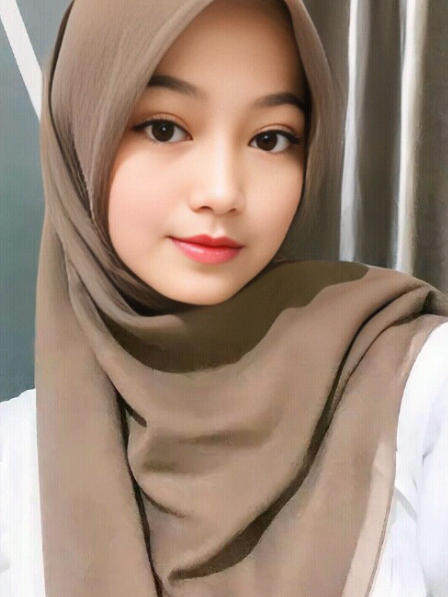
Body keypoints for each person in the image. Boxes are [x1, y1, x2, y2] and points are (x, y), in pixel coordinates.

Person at [1, 0, 447, 596]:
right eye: (164, 128)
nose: (222, 190)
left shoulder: (413, 385)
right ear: (81, 136)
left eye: (270, 138)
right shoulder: (15, 461)